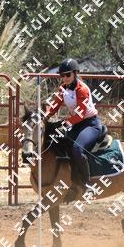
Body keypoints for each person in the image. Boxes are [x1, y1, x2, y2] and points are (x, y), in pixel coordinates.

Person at [43, 59, 102, 194]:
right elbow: (55, 106)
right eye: (62, 75)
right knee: (57, 142)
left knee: (77, 149)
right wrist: (45, 116)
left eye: (67, 75)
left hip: (90, 124)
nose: (64, 78)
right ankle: (68, 180)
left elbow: (80, 114)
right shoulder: (63, 88)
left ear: (75, 73)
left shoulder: (82, 90)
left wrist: (66, 123)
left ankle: (88, 184)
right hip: (76, 124)